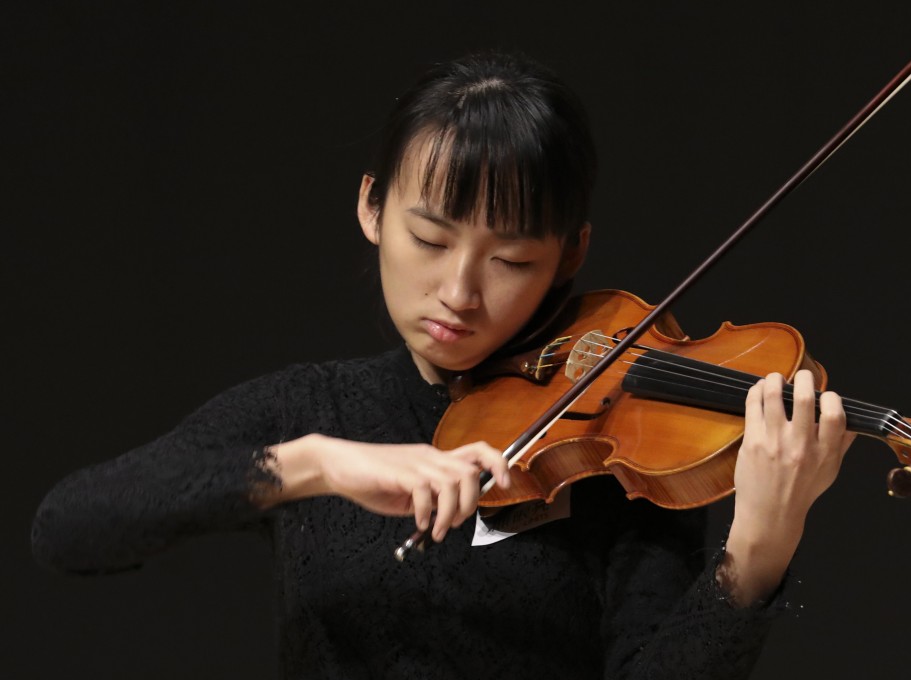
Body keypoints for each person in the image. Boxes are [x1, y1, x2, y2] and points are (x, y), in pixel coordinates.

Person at [31, 51, 854, 679]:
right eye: (429, 239)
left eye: (513, 260)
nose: (459, 291)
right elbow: (71, 529)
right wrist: (315, 464)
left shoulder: (618, 458)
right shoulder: (311, 409)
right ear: (370, 207)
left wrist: (757, 550)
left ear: (572, 256)